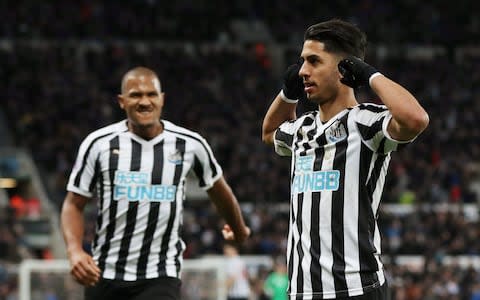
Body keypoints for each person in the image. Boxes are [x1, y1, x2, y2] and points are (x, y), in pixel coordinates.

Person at [261, 19, 429, 299]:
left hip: (355, 290)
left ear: (343, 69)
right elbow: (269, 132)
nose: (303, 70)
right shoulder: (302, 129)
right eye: (303, 61)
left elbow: (415, 119)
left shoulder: (364, 122)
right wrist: (288, 94)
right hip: (302, 291)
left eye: (314, 61)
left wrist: (370, 75)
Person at [61, 66, 251, 300]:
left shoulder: (190, 144)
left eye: (151, 94)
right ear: (122, 101)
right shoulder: (99, 144)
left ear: (162, 99)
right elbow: (73, 204)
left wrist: (239, 229)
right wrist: (74, 251)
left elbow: (219, 191)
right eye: (135, 95)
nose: (144, 102)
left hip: (160, 276)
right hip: (104, 274)